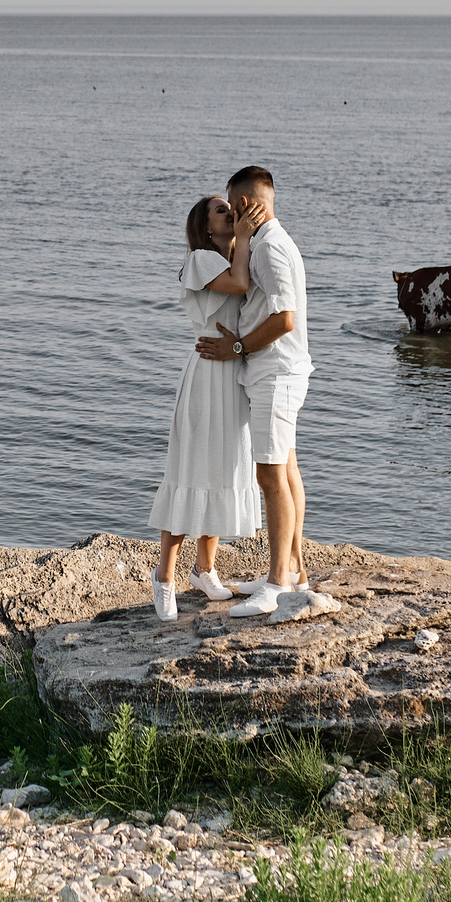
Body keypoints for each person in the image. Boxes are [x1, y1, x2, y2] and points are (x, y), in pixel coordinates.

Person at [196, 165, 330, 619]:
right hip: (277, 370)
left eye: (235, 206)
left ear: (252, 203)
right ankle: (293, 574)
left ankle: (275, 585)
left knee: (270, 476)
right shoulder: (269, 243)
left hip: (276, 371)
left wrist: (236, 347)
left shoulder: (270, 249)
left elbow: (284, 319)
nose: (233, 215)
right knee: (287, 471)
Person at [146, 194, 262, 620]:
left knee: (224, 467)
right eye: (220, 210)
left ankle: (205, 568)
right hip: (206, 373)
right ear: (205, 227)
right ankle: (165, 576)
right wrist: (246, 236)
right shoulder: (199, 259)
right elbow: (239, 285)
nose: (229, 213)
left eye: (229, 209)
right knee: (191, 470)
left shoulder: (237, 256)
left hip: (232, 372)